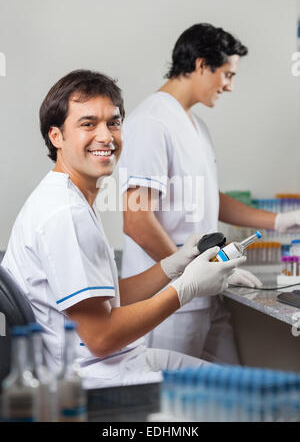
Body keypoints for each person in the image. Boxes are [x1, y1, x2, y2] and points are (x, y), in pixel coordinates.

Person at [1, 70, 245, 389]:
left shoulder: (65, 196)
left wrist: (173, 265)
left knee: (238, 383)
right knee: (247, 395)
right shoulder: (65, 214)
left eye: (113, 122)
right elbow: (101, 337)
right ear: (56, 136)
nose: (106, 136)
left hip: (113, 362)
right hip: (96, 380)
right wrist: (187, 288)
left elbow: (106, 298)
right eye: (88, 124)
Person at [119, 23, 300, 364]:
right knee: (176, 411)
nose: (230, 86)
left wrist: (282, 220)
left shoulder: (195, 126)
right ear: (202, 65)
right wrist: (195, 273)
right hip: (168, 302)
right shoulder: (151, 123)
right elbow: (136, 220)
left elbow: (209, 198)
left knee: (235, 399)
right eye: (227, 75)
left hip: (207, 295)